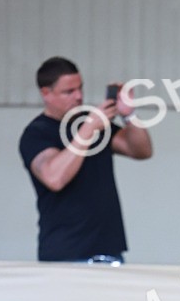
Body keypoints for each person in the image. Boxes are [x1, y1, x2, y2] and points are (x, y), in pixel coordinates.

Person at [18, 56, 153, 263]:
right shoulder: (36, 133)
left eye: (80, 88)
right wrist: (88, 130)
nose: (79, 96)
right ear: (46, 93)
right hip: (65, 253)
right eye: (69, 91)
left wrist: (129, 115)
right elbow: (54, 178)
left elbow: (141, 151)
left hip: (109, 251)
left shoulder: (89, 120)